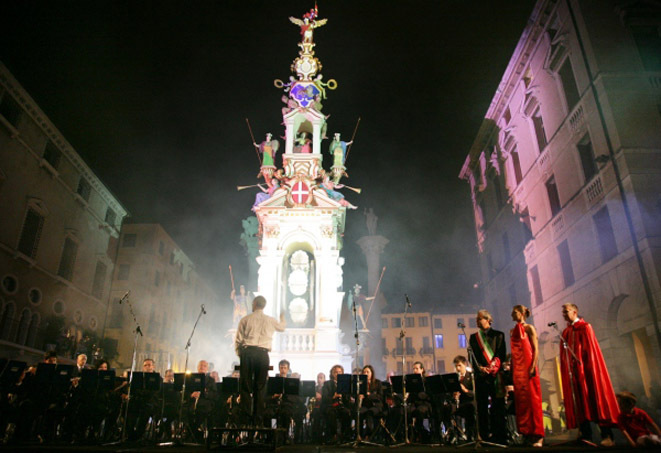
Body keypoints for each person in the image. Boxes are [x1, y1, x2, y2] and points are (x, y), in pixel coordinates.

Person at [559, 303, 619, 446]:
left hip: (587, 371)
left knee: (596, 399)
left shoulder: (585, 327)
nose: (564, 315)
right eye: (563, 312)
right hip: (575, 374)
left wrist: (587, 369)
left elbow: (591, 352)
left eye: (566, 312)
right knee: (580, 403)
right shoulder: (566, 332)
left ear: (575, 312)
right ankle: (586, 436)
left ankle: (607, 436)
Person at [234, 295, 286, 427]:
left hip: (248, 352)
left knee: (245, 386)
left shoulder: (245, 319)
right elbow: (282, 327)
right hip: (263, 354)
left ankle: (245, 420)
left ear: (254, 304)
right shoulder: (270, 320)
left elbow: (238, 340)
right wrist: (282, 318)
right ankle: (257, 421)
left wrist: (241, 354)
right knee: (260, 387)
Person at [469, 309, 507, 444]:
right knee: (482, 407)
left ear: (488, 320)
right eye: (477, 319)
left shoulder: (499, 335)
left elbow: (500, 354)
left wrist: (492, 368)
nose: (477, 321)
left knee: (498, 406)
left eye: (480, 319)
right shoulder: (474, 338)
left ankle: (500, 435)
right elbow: (471, 357)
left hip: (495, 376)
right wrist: (480, 368)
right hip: (481, 376)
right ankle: (484, 435)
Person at [510, 305, 544, 447]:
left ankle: (538, 435)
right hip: (518, 371)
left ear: (522, 313)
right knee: (522, 402)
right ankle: (525, 433)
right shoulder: (512, 331)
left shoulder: (529, 328)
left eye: (515, 312)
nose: (512, 314)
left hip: (528, 367)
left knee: (533, 401)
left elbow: (536, 349)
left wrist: (532, 366)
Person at [442, 355, 475, 442]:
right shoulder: (454, 378)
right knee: (446, 409)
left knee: (468, 409)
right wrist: (453, 394)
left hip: (468, 402)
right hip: (457, 403)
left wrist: (465, 390)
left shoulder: (471, 376)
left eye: (459, 365)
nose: (458, 368)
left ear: (465, 364)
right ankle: (453, 433)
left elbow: (474, 394)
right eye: (456, 366)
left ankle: (469, 435)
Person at [321, 364, 352, 443]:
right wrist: (333, 397)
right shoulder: (327, 384)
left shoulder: (345, 384)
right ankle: (333, 435)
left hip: (341, 406)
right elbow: (324, 398)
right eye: (336, 372)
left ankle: (345, 435)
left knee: (347, 413)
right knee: (332, 414)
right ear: (332, 374)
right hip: (330, 406)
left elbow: (347, 398)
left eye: (340, 372)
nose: (338, 374)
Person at [359, 364, 383, 439]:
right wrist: (359, 396)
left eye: (367, 372)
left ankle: (369, 435)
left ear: (371, 373)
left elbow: (380, 396)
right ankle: (359, 435)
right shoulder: (360, 383)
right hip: (365, 405)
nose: (365, 374)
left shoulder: (377, 383)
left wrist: (369, 395)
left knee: (370, 413)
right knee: (358, 413)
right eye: (364, 372)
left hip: (375, 405)